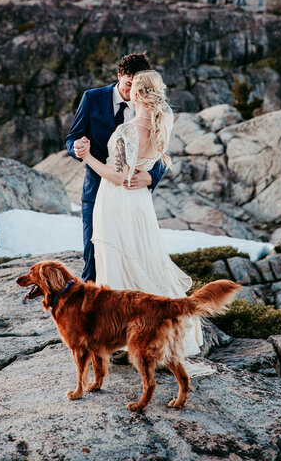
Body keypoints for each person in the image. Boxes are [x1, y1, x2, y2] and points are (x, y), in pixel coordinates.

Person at [76, 70, 205, 363]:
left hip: (117, 202)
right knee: (143, 258)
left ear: (135, 93)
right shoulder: (162, 122)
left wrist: (88, 158)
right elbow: (154, 159)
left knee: (119, 261)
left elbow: (117, 175)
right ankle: (151, 329)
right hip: (140, 203)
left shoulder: (128, 130)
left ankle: (124, 335)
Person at [64, 53, 166, 283]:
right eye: (129, 84)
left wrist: (151, 176)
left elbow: (161, 149)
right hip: (96, 192)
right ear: (119, 76)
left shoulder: (153, 106)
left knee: (133, 259)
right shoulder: (91, 98)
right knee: (94, 257)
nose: (133, 92)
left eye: (138, 86)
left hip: (131, 196)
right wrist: (77, 148)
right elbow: (72, 137)